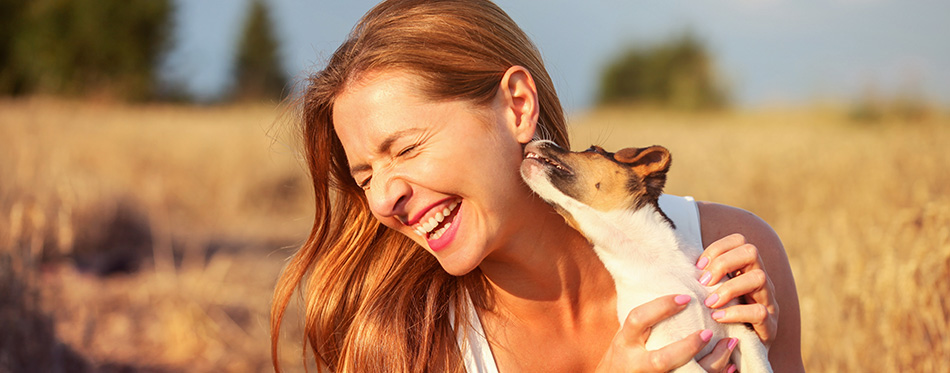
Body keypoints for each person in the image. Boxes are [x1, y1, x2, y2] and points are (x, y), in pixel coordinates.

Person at [270, 0, 804, 371]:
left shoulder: (728, 254)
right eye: (364, 178)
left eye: (406, 149)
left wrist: (761, 354)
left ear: (517, 106)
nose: (383, 198)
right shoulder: (405, 345)